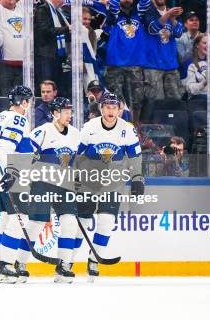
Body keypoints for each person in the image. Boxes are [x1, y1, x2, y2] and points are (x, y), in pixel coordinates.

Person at [74, 92, 144, 282]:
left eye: (114, 107)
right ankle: (68, 261)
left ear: (120, 110)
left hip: (113, 182)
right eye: (107, 107)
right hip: (88, 181)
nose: (111, 111)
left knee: (106, 222)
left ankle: (94, 260)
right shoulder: (89, 127)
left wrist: (137, 178)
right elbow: (77, 154)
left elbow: (135, 157)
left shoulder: (127, 130)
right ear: (101, 108)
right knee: (82, 223)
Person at [26, 97, 81, 283]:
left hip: (64, 184)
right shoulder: (41, 131)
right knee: (36, 224)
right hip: (42, 182)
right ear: (55, 113)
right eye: (65, 111)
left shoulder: (75, 134)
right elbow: (25, 153)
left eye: (70, 111)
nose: (69, 115)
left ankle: (64, 265)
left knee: (70, 222)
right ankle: (18, 263)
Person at [0, 85, 33, 284]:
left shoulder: (1, 116)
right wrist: (12, 172)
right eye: (28, 100)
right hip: (12, 174)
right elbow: (7, 146)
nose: (29, 105)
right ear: (23, 102)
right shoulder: (19, 119)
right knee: (20, 219)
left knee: (5, 218)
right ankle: (6, 264)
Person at [102, 0, 150, 119]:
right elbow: (113, 2)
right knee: (116, 100)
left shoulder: (139, 14)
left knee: (136, 100)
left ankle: (134, 128)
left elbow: (146, 0)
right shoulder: (115, 15)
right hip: (115, 65)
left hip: (135, 65)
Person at [142, 0, 185, 101]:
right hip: (152, 65)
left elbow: (179, 33)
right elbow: (152, 29)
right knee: (156, 102)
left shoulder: (173, 12)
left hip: (171, 64)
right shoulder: (148, 11)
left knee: (175, 101)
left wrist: (172, 18)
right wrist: (168, 15)